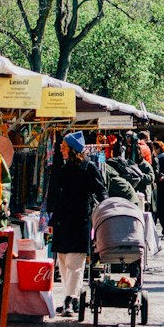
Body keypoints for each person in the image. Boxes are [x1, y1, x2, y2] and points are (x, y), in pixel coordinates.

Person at [49, 130, 106, 316]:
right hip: (61, 220)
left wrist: (104, 213)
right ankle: (69, 297)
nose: (60, 149)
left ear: (72, 150)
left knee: (75, 261)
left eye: (64, 147)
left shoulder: (88, 167)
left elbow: (101, 190)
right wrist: (52, 218)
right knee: (63, 261)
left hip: (79, 219)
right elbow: (57, 195)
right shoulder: (63, 167)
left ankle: (70, 298)